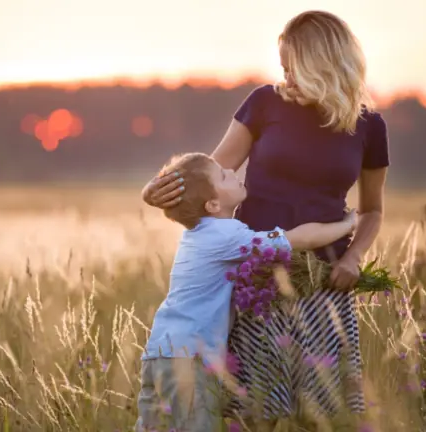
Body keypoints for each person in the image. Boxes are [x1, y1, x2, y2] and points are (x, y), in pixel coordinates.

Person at [140, 10, 390, 425]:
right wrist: (157, 190)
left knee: (324, 416)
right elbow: (209, 174)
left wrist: (353, 258)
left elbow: (372, 210)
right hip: (256, 282)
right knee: (253, 413)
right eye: (283, 65)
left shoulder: (369, 127)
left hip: (324, 284)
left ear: (324, 64)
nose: (285, 75)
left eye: (294, 66)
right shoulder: (264, 103)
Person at [136, 152, 357, 431]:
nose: (231, 171)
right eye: (223, 175)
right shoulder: (228, 236)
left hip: (159, 353)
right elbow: (300, 238)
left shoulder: (198, 235)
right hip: (189, 358)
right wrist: (347, 225)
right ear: (213, 203)